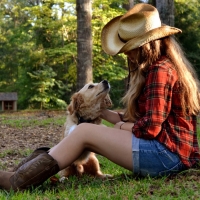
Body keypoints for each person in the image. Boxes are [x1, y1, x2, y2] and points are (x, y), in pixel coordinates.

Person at [0, 3, 200, 192]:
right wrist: (102, 112)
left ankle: (16, 181)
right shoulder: (160, 68)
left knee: (84, 131)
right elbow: (140, 120)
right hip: (169, 153)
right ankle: (18, 174)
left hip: (167, 156)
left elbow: (150, 128)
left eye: (129, 48)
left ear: (144, 46)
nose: (126, 54)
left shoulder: (160, 71)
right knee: (82, 131)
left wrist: (119, 127)